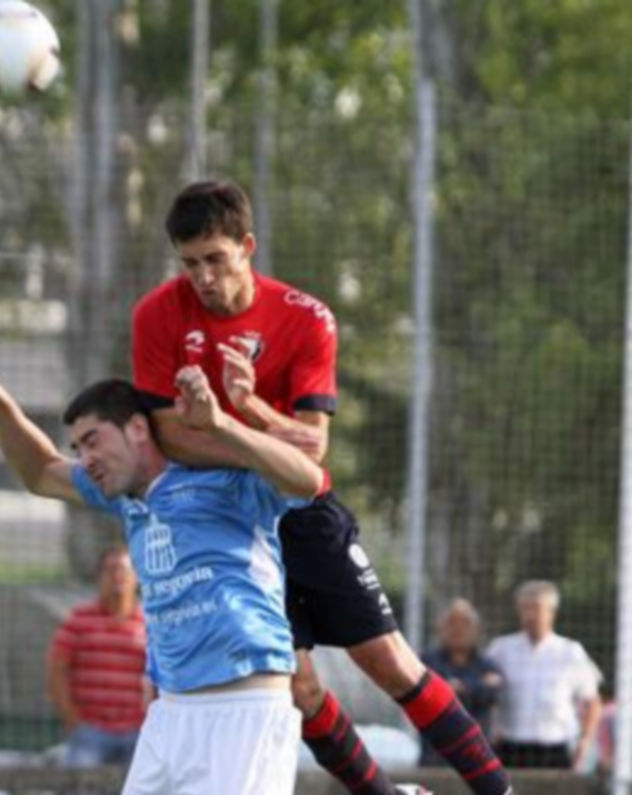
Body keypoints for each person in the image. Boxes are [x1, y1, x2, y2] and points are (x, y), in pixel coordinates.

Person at [131, 179, 513, 795]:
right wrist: (259, 447)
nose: (202, 276)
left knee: (392, 664)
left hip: (305, 512)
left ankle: (500, 791)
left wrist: (245, 409)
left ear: (247, 246)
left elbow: (312, 446)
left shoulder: (305, 318)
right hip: (230, 528)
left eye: (215, 259)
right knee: (301, 689)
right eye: (190, 263)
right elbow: (170, 437)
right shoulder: (157, 314)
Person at [0, 344, 323, 795]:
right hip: (169, 715)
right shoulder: (126, 499)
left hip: (243, 704)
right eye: (78, 447)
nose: (85, 457)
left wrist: (220, 422)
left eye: (93, 441)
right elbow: (40, 472)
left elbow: (308, 478)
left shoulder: (222, 477)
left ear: (137, 428)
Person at [47, 545, 147, 767]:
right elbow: (57, 669)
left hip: (136, 732)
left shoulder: (149, 623)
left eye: (124, 570)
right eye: (111, 570)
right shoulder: (78, 620)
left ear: (137, 577)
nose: (118, 577)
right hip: (90, 731)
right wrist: (72, 719)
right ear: (100, 577)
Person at [486, 580, 603, 770]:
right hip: (510, 747)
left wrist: (585, 741)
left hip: (555, 748)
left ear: (552, 611)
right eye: (525, 608)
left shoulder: (571, 651)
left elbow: (592, 702)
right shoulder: (501, 649)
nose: (530, 615)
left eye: (537, 608)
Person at [420, 599, 503, 765]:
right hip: (435, 755)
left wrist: (456, 688)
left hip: (477, 756)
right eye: (451, 622)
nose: (458, 628)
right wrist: (476, 687)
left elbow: (492, 693)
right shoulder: (427, 661)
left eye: (465, 622)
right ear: (440, 627)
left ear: (476, 628)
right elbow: (426, 697)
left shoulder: (487, 663)